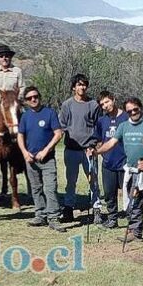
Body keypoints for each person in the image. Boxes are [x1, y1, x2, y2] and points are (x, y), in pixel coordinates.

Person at [94, 97, 143, 248]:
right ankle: (135, 231)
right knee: (134, 202)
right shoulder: (124, 126)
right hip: (132, 170)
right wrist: (96, 152)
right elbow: (111, 143)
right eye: (129, 111)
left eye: (135, 109)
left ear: (140, 108)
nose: (133, 112)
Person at [17, 87, 65, 232]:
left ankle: (54, 218)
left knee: (50, 188)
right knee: (36, 189)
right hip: (30, 159)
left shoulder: (49, 113)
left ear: (40, 97)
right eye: (30, 98)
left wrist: (46, 150)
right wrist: (24, 152)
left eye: (36, 96)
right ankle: (40, 215)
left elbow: (58, 134)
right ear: (26, 101)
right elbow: (20, 136)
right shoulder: (25, 117)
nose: (33, 99)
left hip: (47, 159)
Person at [59, 73, 102, 223]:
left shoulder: (94, 105)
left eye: (84, 84)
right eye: (79, 84)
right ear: (73, 87)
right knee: (71, 181)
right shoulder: (67, 105)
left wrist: (95, 145)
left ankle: (97, 209)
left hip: (88, 150)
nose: (82, 87)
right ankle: (68, 209)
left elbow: (99, 126)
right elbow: (61, 126)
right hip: (71, 149)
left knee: (93, 181)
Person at [94, 91, 128, 229]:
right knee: (109, 194)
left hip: (125, 163)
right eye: (102, 104)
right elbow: (97, 139)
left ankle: (133, 221)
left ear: (114, 99)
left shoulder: (126, 117)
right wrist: (96, 150)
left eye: (107, 102)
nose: (105, 106)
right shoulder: (102, 120)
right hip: (108, 163)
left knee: (129, 194)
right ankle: (112, 218)